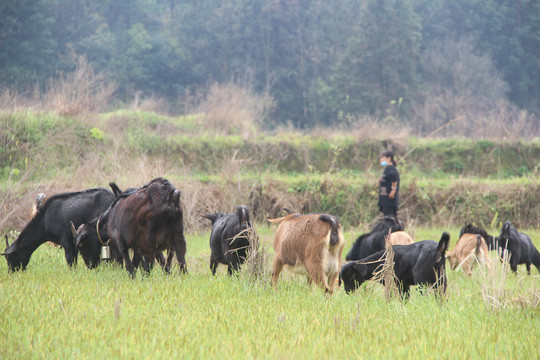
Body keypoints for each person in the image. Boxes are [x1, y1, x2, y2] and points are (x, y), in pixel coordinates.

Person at [377, 150, 399, 217]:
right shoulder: (387, 169)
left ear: (389, 158)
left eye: (382, 158)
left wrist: (393, 190)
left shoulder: (391, 169)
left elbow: (394, 178)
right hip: (385, 199)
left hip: (389, 200)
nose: (381, 160)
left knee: (390, 218)